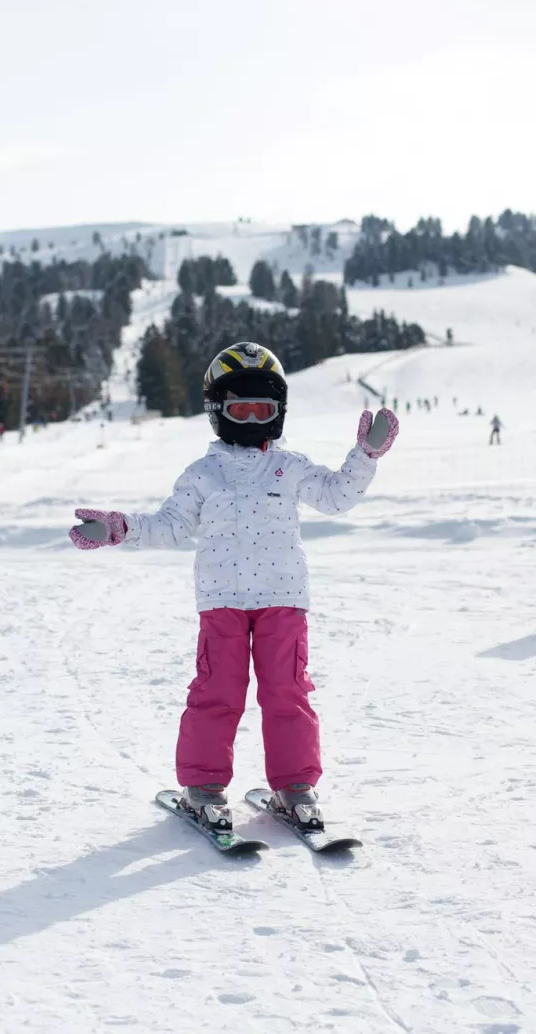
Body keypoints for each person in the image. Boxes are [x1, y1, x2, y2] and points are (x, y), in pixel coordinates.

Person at [69, 342, 398, 834]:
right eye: (238, 409)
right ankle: (202, 786)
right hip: (221, 601)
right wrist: (121, 527)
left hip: (283, 601)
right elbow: (171, 525)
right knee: (216, 692)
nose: (249, 420)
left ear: (278, 413)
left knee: (288, 693)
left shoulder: (290, 467)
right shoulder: (203, 474)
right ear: (217, 411)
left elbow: (335, 497)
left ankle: (295, 786)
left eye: (260, 410)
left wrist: (365, 456)